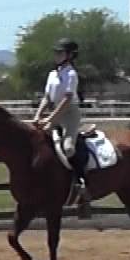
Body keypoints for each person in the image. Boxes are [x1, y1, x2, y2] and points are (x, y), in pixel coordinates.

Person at [32, 37, 88, 204]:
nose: (56, 55)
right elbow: (47, 97)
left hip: (69, 114)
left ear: (69, 55)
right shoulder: (52, 74)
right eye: (56, 52)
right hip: (55, 112)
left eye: (60, 52)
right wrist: (38, 115)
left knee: (68, 147)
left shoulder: (71, 74)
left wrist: (50, 118)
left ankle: (80, 182)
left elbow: (67, 99)